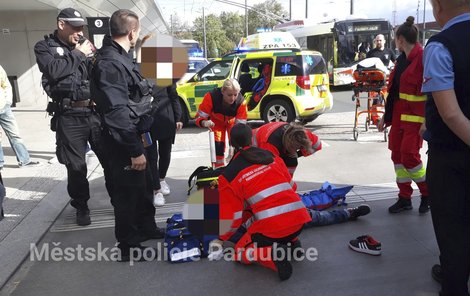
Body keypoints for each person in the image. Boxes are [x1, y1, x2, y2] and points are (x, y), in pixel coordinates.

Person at [91, 9, 164, 261]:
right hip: (123, 140)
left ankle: (146, 228)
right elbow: (116, 111)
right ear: (132, 32)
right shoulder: (110, 62)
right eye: (138, 31)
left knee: (143, 188)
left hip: (136, 132)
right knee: (127, 194)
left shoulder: (122, 57)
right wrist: (134, 150)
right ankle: (129, 246)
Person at [34, 8, 111, 226]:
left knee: (110, 159)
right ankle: (81, 206)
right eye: (75, 27)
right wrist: (77, 55)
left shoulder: (87, 46)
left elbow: (100, 73)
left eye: (81, 28)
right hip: (69, 115)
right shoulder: (44, 47)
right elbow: (54, 72)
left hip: (94, 112)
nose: (79, 32)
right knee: (76, 166)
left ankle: (119, 200)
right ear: (61, 25)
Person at [214, 123, 311, 281]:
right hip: (300, 220)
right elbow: (292, 186)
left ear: (231, 143)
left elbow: (234, 216)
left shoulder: (228, 175)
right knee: (269, 217)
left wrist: (221, 238)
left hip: (275, 229)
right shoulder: (271, 156)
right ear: (251, 139)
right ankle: (293, 243)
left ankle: (270, 254)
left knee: (239, 253)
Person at [421, 0, 470, 294]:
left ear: (437, 6)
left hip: (451, 159)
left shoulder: (440, 46)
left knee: (453, 231)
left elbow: (451, 114)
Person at [376, 17, 429, 215]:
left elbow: (433, 92)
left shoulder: (423, 58)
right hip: (399, 115)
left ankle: (427, 193)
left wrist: (427, 120)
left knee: (410, 156)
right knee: (397, 157)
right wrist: (385, 117)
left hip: (416, 118)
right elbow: (395, 92)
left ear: (400, 40)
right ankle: (404, 197)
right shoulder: (400, 61)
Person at [195, 78, 247, 167]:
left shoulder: (241, 102)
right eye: (229, 95)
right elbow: (198, 118)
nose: (233, 98)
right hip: (215, 123)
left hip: (233, 124)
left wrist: (232, 145)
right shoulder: (211, 97)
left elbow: (240, 128)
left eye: (235, 94)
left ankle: (234, 171)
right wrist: (204, 122)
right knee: (218, 146)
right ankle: (218, 171)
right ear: (222, 91)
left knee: (237, 147)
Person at [147, 83, 183, 206]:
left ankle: (162, 178)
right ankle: (156, 190)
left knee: (165, 153)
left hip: (166, 119)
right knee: (150, 156)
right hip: (145, 124)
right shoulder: (136, 71)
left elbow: (174, 96)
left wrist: (178, 118)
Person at [0, 65, 40, 170]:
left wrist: (8, 101)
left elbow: (6, 84)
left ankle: (24, 160)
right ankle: (0, 164)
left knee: (15, 134)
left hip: (4, 107)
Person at [251, 122, 322, 177]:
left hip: (278, 144)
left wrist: (299, 154)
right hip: (251, 146)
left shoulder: (302, 134)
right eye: (294, 148)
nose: (295, 151)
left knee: (292, 163)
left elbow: (318, 145)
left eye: (298, 148)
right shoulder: (270, 144)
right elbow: (270, 170)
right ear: (288, 143)